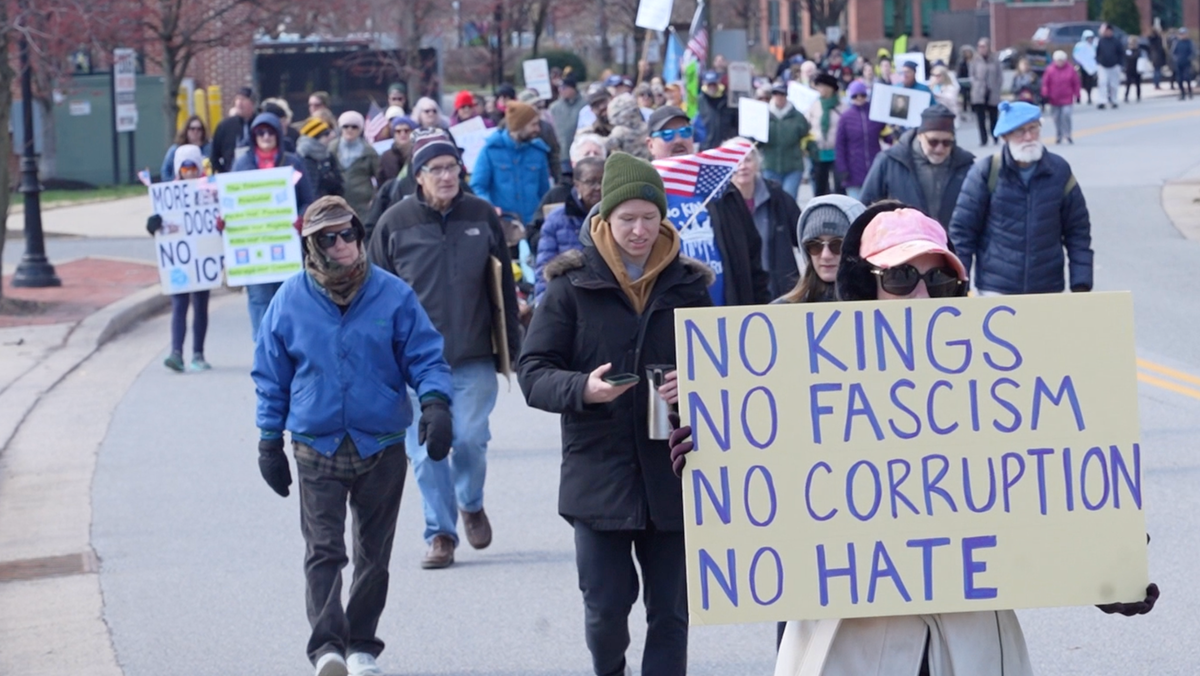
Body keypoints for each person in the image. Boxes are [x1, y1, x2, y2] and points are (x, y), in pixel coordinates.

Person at [669, 202, 1160, 676]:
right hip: (848, 645)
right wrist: (714, 463)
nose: (922, 297)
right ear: (866, 286)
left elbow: (1044, 498)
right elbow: (767, 515)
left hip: (970, 645)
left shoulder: (998, 388)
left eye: (939, 281)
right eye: (901, 278)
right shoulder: (799, 387)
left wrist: (1110, 563)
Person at [517, 152, 712, 676]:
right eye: (628, 218)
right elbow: (532, 371)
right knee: (605, 610)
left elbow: (728, 370)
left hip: (672, 474)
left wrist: (698, 385)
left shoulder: (690, 286)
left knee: (671, 613)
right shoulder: (570, 286)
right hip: (598, 474)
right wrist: (582, 387)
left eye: (650, 217)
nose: (640, 230)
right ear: (605, 217)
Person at [253, 195, 454, 676]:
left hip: (380, 444)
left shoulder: (392, 294)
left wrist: (435, 404)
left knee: (372, 554)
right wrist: (268, 439)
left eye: (349, 233)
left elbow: (425, 355)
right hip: (316, 444)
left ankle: (362, 645)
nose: (342, 244)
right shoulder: (289, 300)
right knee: (324, 550)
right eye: (329, 238)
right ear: (312, 246)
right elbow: (270, 375)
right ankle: (327, 649)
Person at [367, 129, 521, 569]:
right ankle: (440, 534)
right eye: (436, 169)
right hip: (414, 363)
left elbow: (502, 286)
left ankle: (470, 502)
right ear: (418, 176)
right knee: (426, 450)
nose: (446, 176)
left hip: (474, 353)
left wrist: (514, 346)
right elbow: (373, 298)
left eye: (452, 167)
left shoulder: (480, 215)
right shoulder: (394, 223)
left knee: (470, 439)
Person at [949, 101, 1093, 295]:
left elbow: (1078, 231)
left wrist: (1081, 283)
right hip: (995, 288)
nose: (1028, 137)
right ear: (1005, 136)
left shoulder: (1059, 171)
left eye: (1033, 128)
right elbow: (962, 233)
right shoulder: (986, 171)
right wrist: (958, 286)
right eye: (1020, 131)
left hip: (1048, 288)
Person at [644, 106, 772, 305]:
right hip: (671, 313)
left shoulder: (720, 188)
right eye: (667, 134)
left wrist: (761, 306)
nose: (678, 140)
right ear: (650, 144)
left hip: (726, 312)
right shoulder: (643, 195)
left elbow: (753, 255)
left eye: (685, 132)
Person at [231, 112, 314, 338]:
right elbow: (230, 202)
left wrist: (301, 217)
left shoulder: (293, 162)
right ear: (253, 136)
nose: (266, 136)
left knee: (288, 298)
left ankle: (289, 347)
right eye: (260, 132)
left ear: (278, 134)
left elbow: (308, 199)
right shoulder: (242, 164)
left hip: (286, 247)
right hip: (254, 250)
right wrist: (226, 221)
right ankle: (263, 349)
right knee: (259, 300)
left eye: (270, 132)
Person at [145, 144, 213, 372]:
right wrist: (153, 224)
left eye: (193, 168)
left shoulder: (209, 191)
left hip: (202, 258)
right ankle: (176, 353)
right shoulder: (167, 195)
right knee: (179, 304)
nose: (190, 173)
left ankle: (198, 353)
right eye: (185, 168)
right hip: (179, 261)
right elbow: (158, 228)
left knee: (201, 305)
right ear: (178, 170)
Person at [860, 104, 974, 230]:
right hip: (902, 239)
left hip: (948, 240)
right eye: (933, 142)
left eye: (947, 143)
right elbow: (866, 207)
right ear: (920, 136)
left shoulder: (966, 165)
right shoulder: (889, 161)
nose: (939, 149)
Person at [728, 142, 801, 299]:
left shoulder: (777, 196)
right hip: (741, 293)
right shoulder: (719, 204)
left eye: (748, 160)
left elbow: (803, 236)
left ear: (757, 163)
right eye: (736, 161)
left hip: (780, 291)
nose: (742, 166)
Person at [470, 101, 552, 227]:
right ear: (519, 125)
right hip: (503, 224)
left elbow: (545, 193)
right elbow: (477, 187)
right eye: (533, 124)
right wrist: (490, 208)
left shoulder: (538, 152)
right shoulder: (490, 151)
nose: (538, 129)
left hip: (533, 225)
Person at [533, 156, 604, 302]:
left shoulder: (617, 217)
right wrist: (544, 305)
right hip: (569, 297)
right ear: (577, 185)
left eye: (603, 181)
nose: (598, 187)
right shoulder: (556, 220)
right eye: (591, 182)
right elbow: (543, 268)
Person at [775, 195, 865, 304]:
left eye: (838, 245)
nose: (825, 255)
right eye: (815, 245)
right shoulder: (782, 310)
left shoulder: (879, 304)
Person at [835, 80, 889, 200]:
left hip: (874, 167)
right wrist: (842, 168)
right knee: (856, 206)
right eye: (855, 96)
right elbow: (840, 145)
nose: (859, 98)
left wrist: (893, 132)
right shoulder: (845, 117)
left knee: (875, 206)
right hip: (853, 169)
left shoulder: (876, 114)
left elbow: (887, 136)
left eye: (862, 95)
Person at [762, 82, 810, 199]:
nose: (779, 97)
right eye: (776, 94)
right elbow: (757, 142)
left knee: (789, 199)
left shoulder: (798, 116)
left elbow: (806, 135)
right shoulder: (763, 114)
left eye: (782, 94)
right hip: (770, 166)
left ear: (786, 96)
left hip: (793, 166)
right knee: (773, 201)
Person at [329, 111, 380, 220]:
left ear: (360, 129)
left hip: (362, 204)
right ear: (340, 128)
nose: (350, 129)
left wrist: (375, 199)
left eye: (354, 127)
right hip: (337, 203)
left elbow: (380, 177)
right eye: (346, 126)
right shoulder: (331, 149)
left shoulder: (369, 151)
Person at [806, 72, 845, 196]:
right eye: (818, 86)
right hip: (819, 151)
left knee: (840, 186)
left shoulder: (842, 107)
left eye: (822, 86)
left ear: (831, 88)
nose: (820, 89)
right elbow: (807, 125)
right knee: (820, 187)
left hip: (838, 151)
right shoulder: (814, 105)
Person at [517, 88, 563, 184]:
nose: (534, 109)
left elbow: (554, 155)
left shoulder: (545, 127)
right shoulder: (513, 129)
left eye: (536, 105)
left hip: (543, 176)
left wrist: (558, 180)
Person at [210, 86, 255, 174]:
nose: (239, 103)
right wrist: (223, 173)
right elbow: (214, 155)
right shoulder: (225, 126)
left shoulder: (259, 124)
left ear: (252, 103)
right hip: (231, 175)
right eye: (237, 99)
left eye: (243, 99)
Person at [297, 117, 344, 199]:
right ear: (315, 138)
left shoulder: (328, 156)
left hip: (328, 202)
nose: (331, 136)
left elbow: (340, 184)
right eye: (326, 134)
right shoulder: (300, 159)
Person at [1041, 50, 1082, 144]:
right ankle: (1059, 134)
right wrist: (1045, 94)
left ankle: (1067, 134)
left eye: (1061, 60)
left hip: (1067, 97)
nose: (1060, 62)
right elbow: (1045, 83)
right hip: (1054, 98)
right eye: (1058, 60)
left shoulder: (1070, 69)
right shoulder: (1050, 70)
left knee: (1066, 115)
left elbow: (1076, 83)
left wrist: (1077, 94)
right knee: (1056, 117)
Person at [969, 39, 1003, 146]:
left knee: (993, 117)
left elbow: (999, 76)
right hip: (979, 92)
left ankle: (995, 136)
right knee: (981, 118)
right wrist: (976, 84)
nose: (981, 49)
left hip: (992, 92)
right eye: (980, 46)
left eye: (984, 46)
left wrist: (996, 87)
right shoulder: (975, 61)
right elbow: (972, 75)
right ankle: (983, 139)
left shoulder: (995, 60)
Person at [697, 70, 738, 150]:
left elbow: (735, 123)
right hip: (705, 148)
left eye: (714, 84)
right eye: (709, 85)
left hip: (724, 148)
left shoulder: (727, 101)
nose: (712, 87)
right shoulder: (699, 101)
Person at [161, 115, 210, 181]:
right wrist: (173, 184)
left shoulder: (208, 148)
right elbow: (165, 171)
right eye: (192, 129)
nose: (195, 131)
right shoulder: (175, 149)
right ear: (186, 130)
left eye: (199, 129)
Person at [550, 76, 586, 153]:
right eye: (559, 88)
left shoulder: (585, 105)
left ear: (573, 89)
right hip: (562, 151)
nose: (560, 90)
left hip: (581, 149)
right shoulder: (554, 108)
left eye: (564, 88)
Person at [376, 115, 415, 185]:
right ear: (394, 134)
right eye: (398, 131)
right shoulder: (386, 157)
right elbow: (381, 182)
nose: (403, 134)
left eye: (406, 131)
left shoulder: (418, 154)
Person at [1095, 23, 1123, 109]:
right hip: (1102, 66)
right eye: (1106, 31)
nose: (1107, 32)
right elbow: (1097, 52)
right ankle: (1102, 101)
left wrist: (1120, 64)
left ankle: (1114, 100)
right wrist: (1098, 62)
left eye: (1109, 31)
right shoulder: (1100, 41)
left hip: (1114, 66)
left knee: (1113, 85)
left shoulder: (1116, 41)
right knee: (1102, 83)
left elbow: (1121, 53)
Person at [1074, 30, 1099, 104]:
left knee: (1089, 82)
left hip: (1091, 66)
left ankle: (1089, 96)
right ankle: (1078, 97)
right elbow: (1076, 55)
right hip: (1081, 66)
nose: (1090, 39)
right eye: (1088, 38)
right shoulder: (1079, 46)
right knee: (1080, 82)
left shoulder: (1094, 45)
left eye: (1091, 38)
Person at [1173, 28, 1194, 99]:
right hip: (1179, 63)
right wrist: (1176, 59)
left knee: (1187, 78)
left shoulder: (1189, 42)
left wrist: (1189, 58)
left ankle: (1190, 92)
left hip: (1187, 63)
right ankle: (1182, 93)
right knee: (1179, 79)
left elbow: (1193, 52)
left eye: (1184, 34)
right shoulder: (1177, 42)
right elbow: (1173, 52)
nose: (1183, 35)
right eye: (1181, 34)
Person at [1124, 36, 1145, 103]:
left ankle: (1138, 96)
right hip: (1129, 69)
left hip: (1137, 69)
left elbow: (1135, 57)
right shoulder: (1127, 49)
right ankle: (1126, 96)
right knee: (1128, 83)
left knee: (1138, 84)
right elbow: (1125, 57)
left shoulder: (1138, 50)